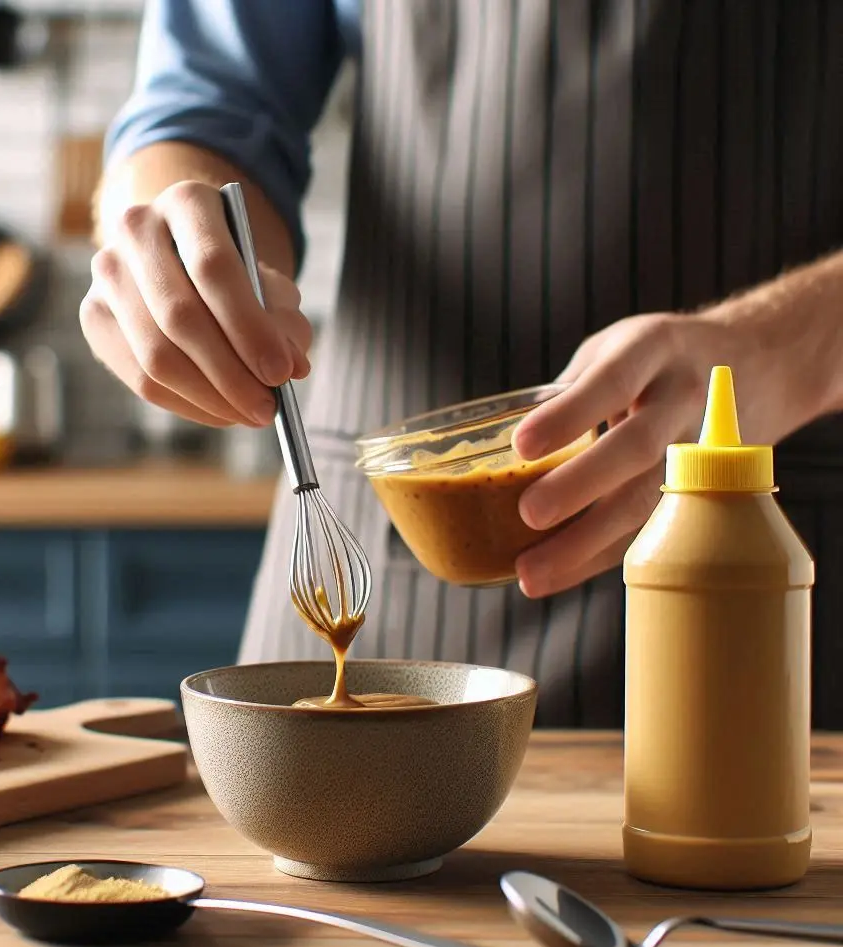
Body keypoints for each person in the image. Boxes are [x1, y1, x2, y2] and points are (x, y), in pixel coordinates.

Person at [83, 0, 843, 727]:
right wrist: (178, 246)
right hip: (393, 554)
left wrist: (786, 343)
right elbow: (206, 104)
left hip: (793, 559)